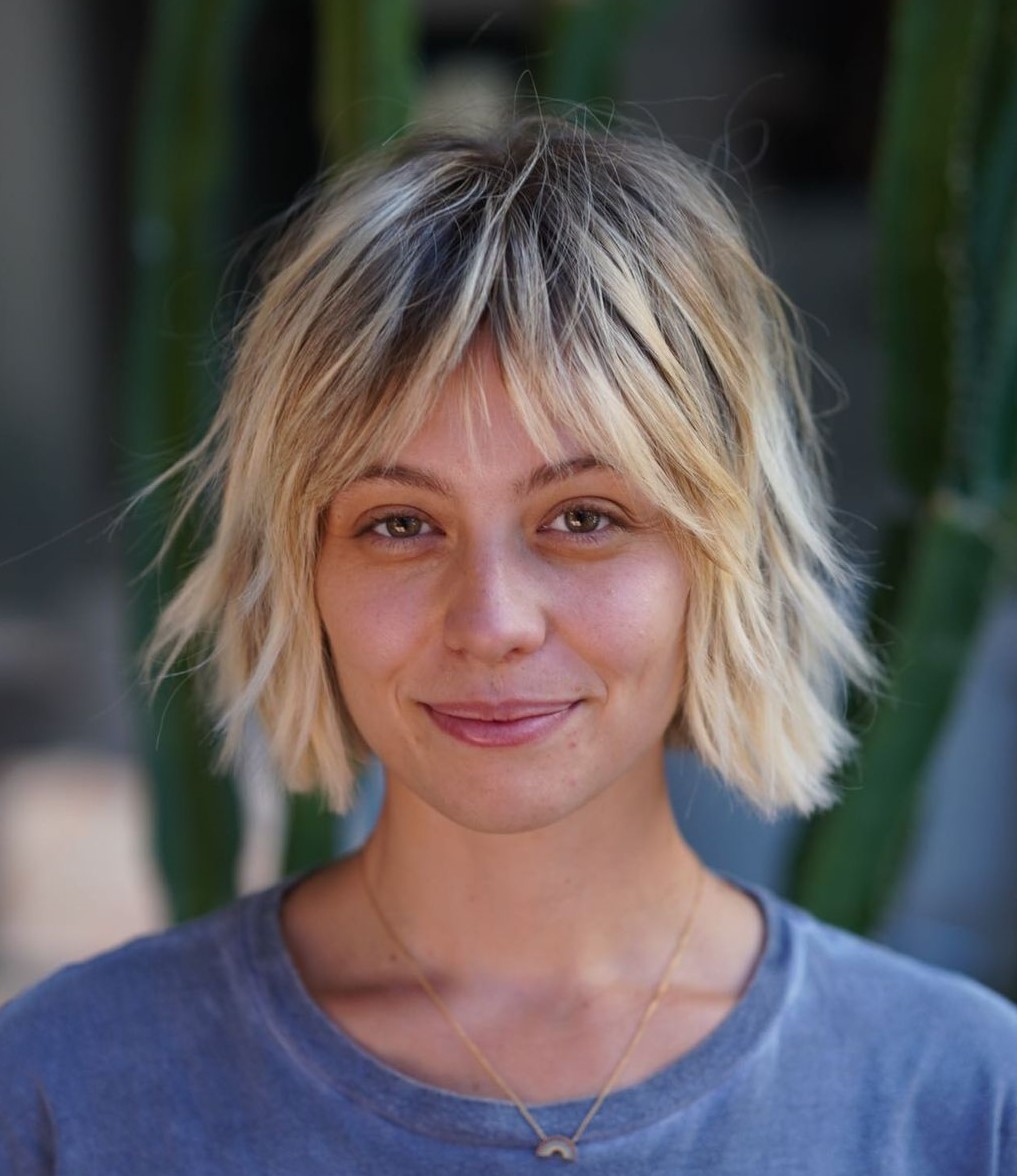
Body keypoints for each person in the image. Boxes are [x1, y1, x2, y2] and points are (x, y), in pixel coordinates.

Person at [1, 115, 1014, 1175]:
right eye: (399, 523)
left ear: (718, 558)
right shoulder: (63, 1093)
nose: (491, 622)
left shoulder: (961, 1100)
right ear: (300, 575)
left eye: (583, 518)